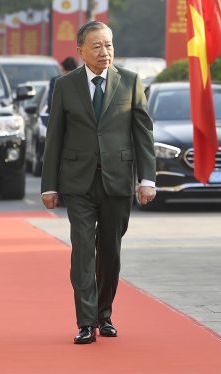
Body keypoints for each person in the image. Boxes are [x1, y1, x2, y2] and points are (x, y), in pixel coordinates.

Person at [41, 20, 156, 345]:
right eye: (96, 46)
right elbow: (55, 138)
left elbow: (142, 134)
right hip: (78, 182)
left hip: (117, 181)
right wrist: (49, 186)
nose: (104, 52)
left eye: (108, 45)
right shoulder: (65, 86)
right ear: (80, 51)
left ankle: (105, 313)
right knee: (82, 249)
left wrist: (147, 179)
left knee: (110, 251)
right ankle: (85, 320)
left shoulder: (130, 82)